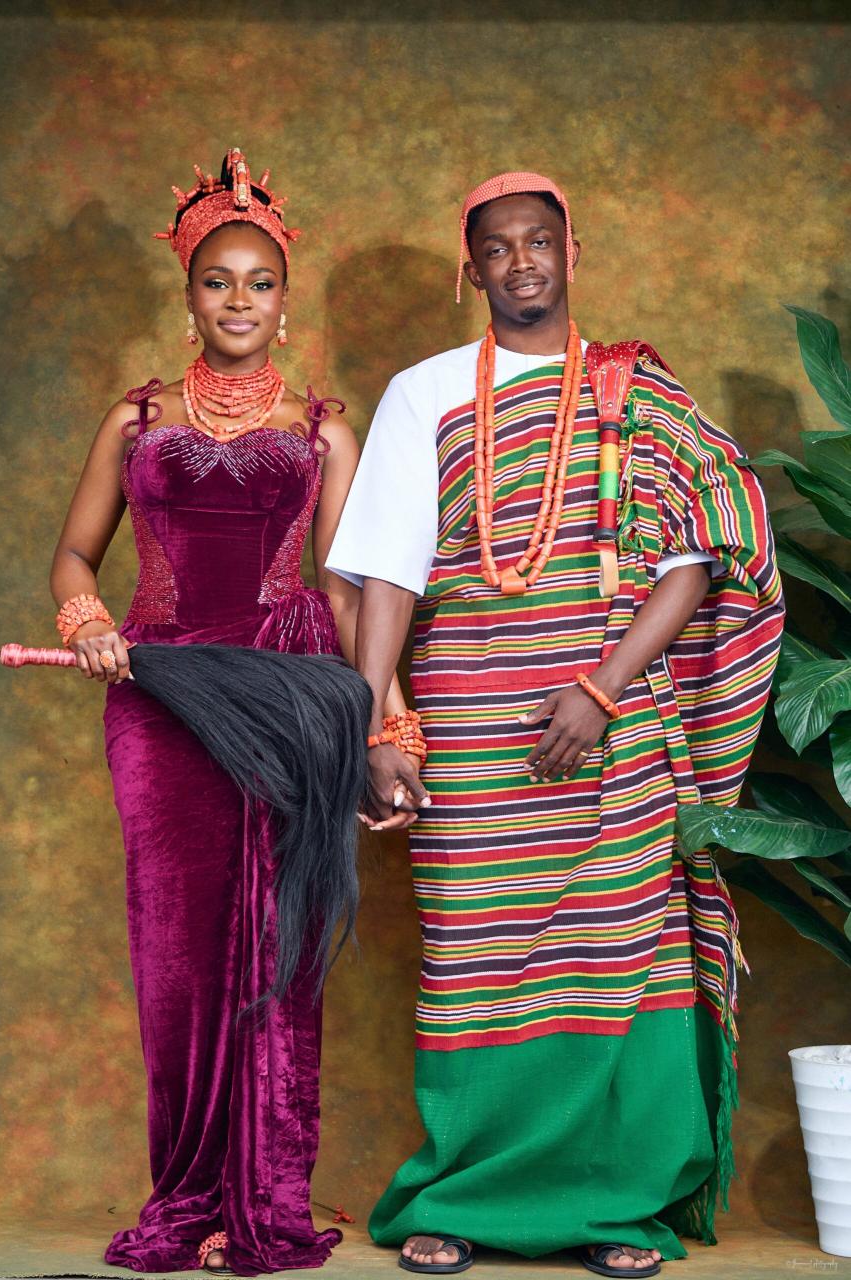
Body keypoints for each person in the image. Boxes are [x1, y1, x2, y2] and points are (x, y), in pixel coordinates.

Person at [326, 171, 784, 1276]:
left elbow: (692, 562)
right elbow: (384, 571)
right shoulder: (424, 391)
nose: (520, 261)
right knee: (470, 951)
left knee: (615, 953)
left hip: (610, 727)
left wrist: (602, 688)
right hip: (469, 724)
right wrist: (376, 726)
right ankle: (460, 1196)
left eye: (539, 240)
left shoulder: (640, 396)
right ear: (469, 269)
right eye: (497, 247)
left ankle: (615, 1206)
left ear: (571, 253)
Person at [48, 148, 413, 1277]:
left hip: (286, 695)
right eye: (218, 281)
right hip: (159, 700)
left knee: (272, 939)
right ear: (189, 295)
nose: (239, 300)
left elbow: (347, 594)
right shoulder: (135, 418)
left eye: (260, 282)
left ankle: (260, 1192)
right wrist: (86, 619)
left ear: (285, 300)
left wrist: (383, 728)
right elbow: (73, 554)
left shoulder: (323, 430)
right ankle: (186, 1189)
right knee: (175, 948)